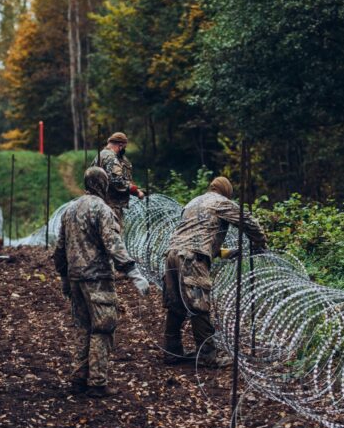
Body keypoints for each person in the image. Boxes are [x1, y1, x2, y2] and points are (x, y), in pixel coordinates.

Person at [53, 167, 151, 397]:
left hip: (76, 277)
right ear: (103, 184)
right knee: (103, 327)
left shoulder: (70, 209)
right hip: (97, 278)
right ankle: (97, 382)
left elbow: (60, 248)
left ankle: (79, 377)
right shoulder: (102, 209)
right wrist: (133, 272)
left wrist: (64, 277)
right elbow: (113, 245)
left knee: (83, 327)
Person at [162, 176, 267, 368]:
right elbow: (248, 221)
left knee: (176, 304)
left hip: (171, 254)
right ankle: (208, 355)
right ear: (227, 192)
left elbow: (195, 234)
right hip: (191, 258)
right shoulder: (221, 202)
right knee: (199, 305)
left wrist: (225, 252)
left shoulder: (193, 202)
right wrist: (261, 242)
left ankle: (172, 350)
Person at [93, 132, 144, 227]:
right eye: (124, 147)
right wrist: (135, 191)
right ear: (120, 145)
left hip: (98, 203)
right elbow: (117, 180)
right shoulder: (111, 157)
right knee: (113, 236)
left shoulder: (100, 155)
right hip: (111, 205)